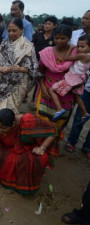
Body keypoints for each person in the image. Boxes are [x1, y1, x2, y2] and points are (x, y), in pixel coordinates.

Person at [0, 18, 40, 139]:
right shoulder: (4, 44)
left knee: (9, 112)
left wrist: (17, 69)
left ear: (22, 30)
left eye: (14, 30)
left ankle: (6, 137)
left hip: (17, 86)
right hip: (1, 84)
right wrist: (0, 69)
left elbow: (33, 69)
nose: (11, 33)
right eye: (9, 30)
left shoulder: (28, 46)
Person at [36, 25, 76, 130]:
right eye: (56, 38)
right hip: (47, 93)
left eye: (63, 38)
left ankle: (51, 145)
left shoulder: (74, 53)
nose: (59, 41)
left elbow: (79, 72)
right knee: (42, 122)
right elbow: (40, 71)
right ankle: (41, 145)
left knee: (58, 125)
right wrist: (43, 88)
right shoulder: (47, 52)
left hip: (66, 95)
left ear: (69, 38)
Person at [65, 10, 90, 159]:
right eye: (83, 17)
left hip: (83, 79)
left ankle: (87, 146)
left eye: (87, 18)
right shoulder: (75, 34)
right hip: (77, 80)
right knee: (77, 114)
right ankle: (71, 141)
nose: (83, 20)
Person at [48, 35, 90, 123]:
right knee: (76, 97)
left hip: (73, 78)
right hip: (80, 79)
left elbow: (67, 58)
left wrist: (71, 48)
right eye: (78, 46)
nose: (79, 49)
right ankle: (85, 112)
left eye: (82, 46)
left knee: (51, 90)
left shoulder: (82, 55)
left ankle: (59, 109)